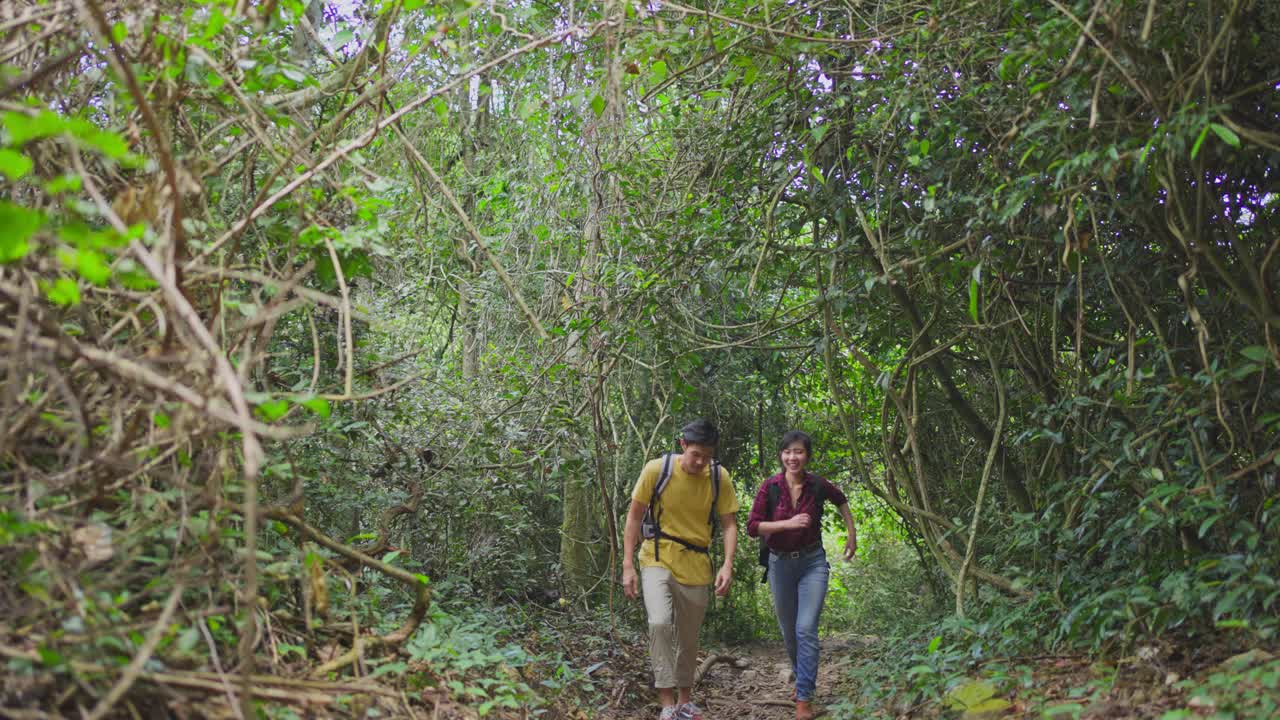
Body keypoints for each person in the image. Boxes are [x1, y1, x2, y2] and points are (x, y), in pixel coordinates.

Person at [622, 419, 739, 720]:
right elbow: (634, 517)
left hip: (697, 563)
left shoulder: (718, 477)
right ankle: (667, 703)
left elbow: (728, 523)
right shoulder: (655, 470)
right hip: (657, 555)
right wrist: (627, 565)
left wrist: (727, 563)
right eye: (695, 454)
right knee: (659, 622)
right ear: (683, 445)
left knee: (688, 637)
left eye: (707, 456)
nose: (700, 462)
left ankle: (685, 701)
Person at [746, 431, 857, 720]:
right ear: (781, 455)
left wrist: (852, 535)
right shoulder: (769, 487)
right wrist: (787, 523)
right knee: (789, 631)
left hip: (812, 563)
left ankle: (804, 698)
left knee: (805, 628)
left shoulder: (818, 484)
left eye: (798, 452)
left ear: (807, 456)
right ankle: (801, 677)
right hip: (779, 565)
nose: (792, 457)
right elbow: (752, 526)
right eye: (787, 452)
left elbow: (841, 499)